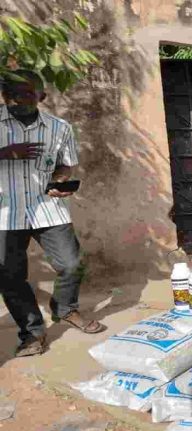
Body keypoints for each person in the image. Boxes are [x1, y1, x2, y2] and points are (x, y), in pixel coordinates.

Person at [0, 70, 105, 357]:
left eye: (26, 95)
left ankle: (65, 308)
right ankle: (32, 333)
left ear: (41, 97)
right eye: (11, 95)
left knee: (72, 263)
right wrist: (5, 153)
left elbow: (65, 165)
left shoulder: (60, 128)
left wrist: (59, 182)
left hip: (48, 207)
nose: (17, 101)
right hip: (5, 212)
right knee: (10, 276)